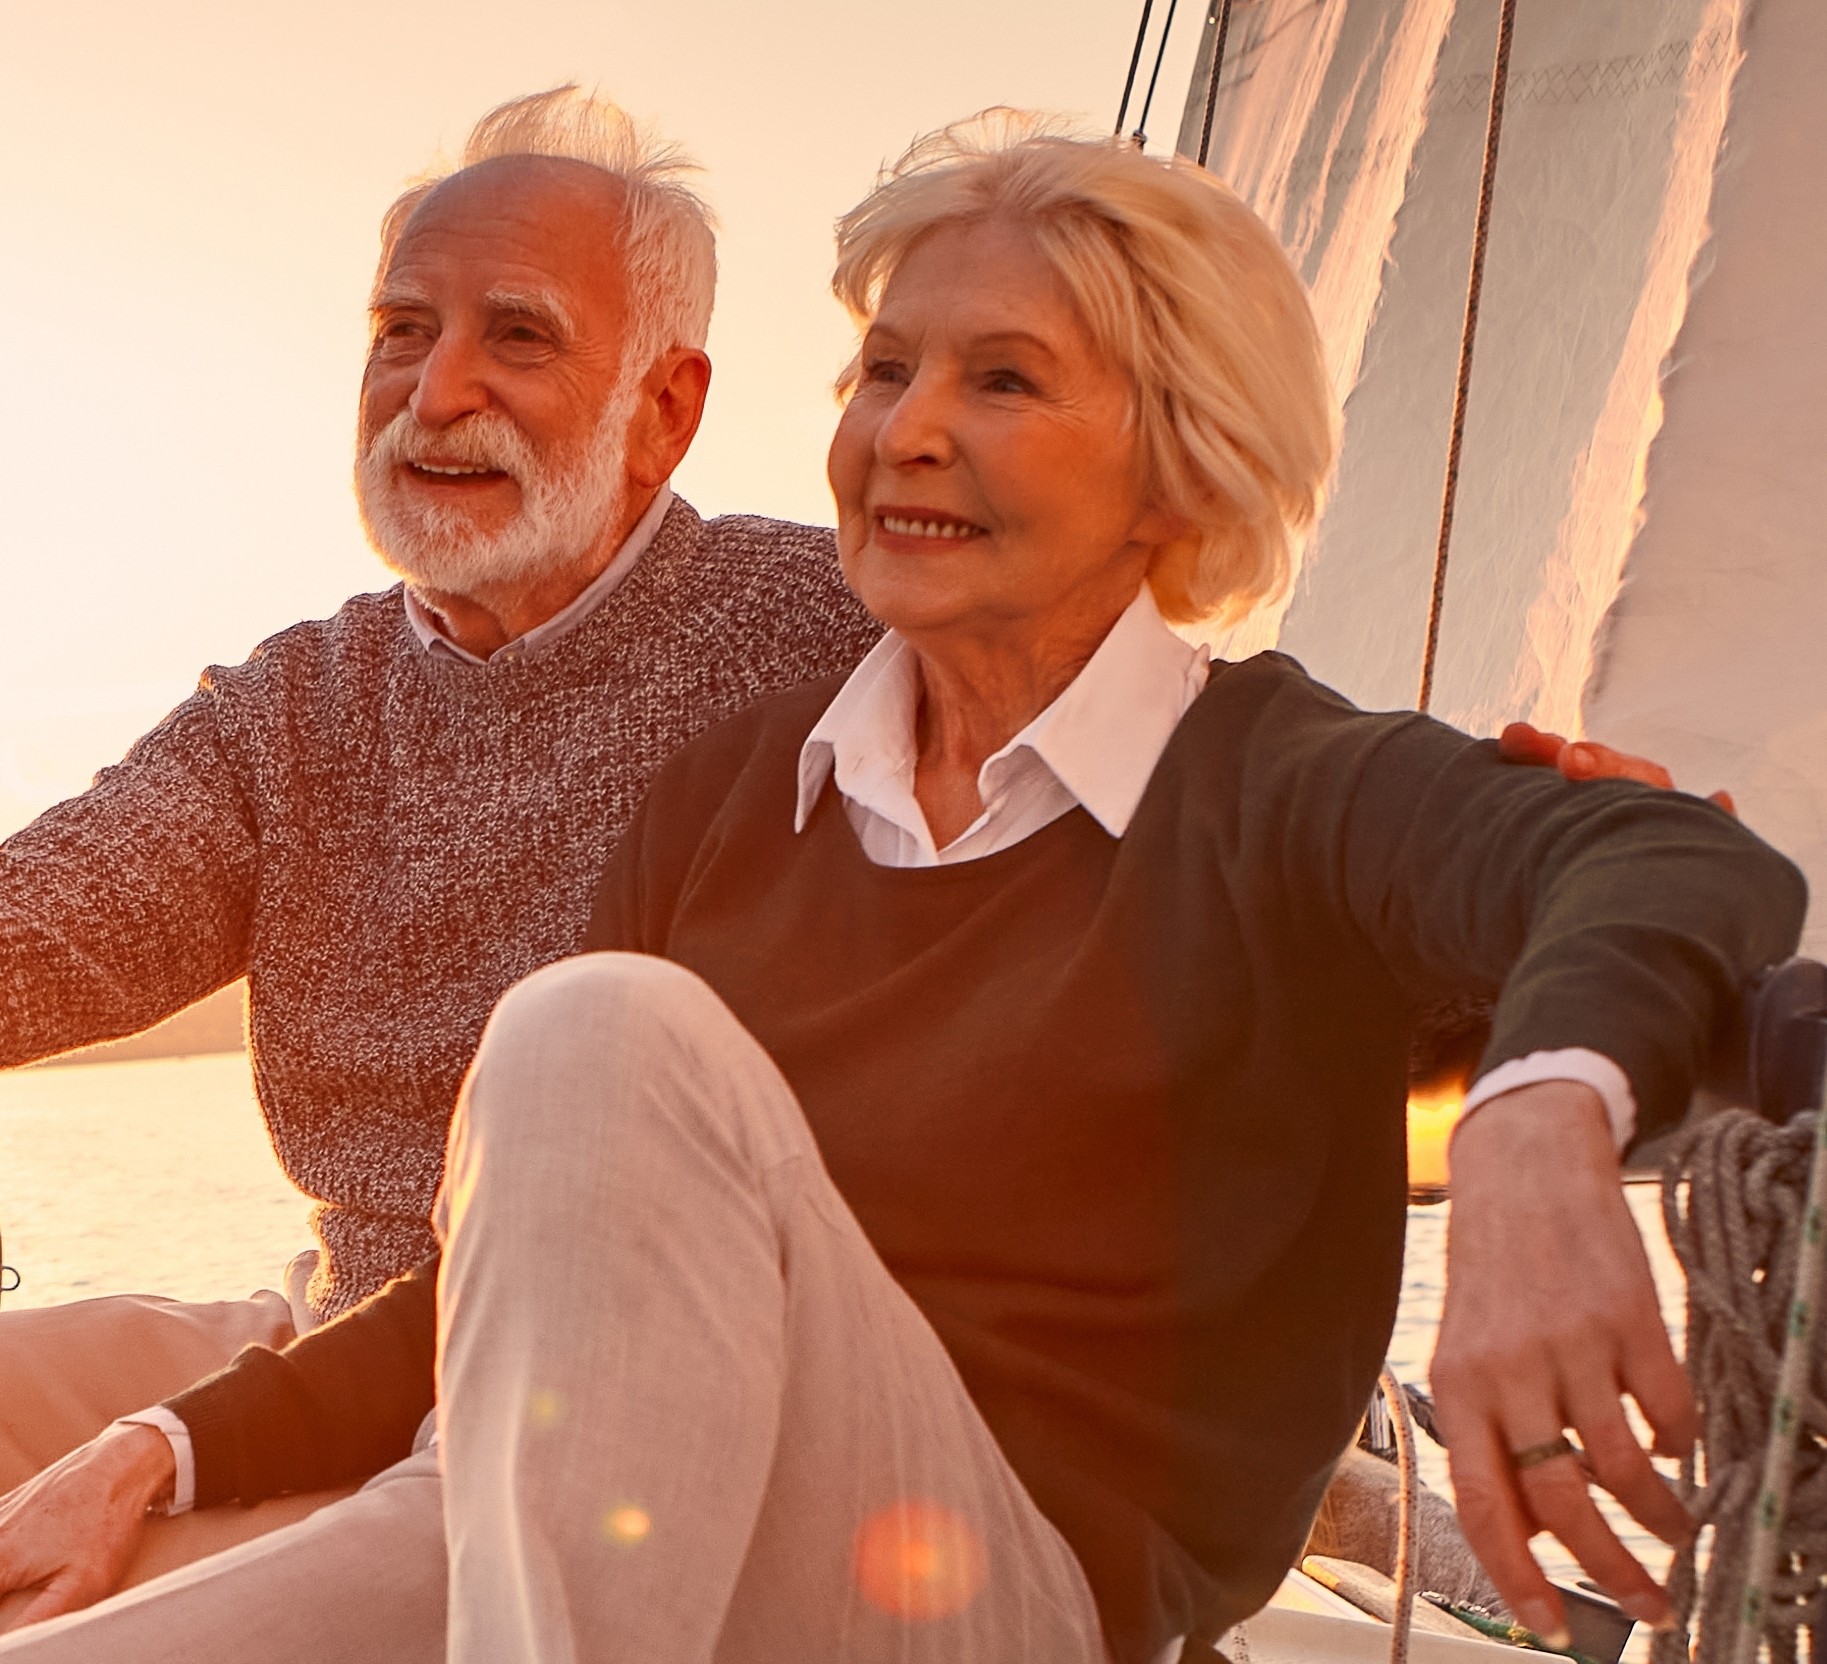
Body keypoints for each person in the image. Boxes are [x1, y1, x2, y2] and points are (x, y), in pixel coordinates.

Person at [0, 114, 1775, 1662]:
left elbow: (1656, 861)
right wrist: (169, 1444)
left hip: (994, 1590)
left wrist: (1535, 1120)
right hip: (564, 1448)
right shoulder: (734, 793)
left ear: (1180, 461)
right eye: (882, 372)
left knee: (591, 1033)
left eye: (1001, 381)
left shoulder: (1273, 780)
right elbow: (488, 1271)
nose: (908, 430)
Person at [0, 84, 879, 1612]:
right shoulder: (299, 706)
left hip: (600, 1413)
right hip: (324, 1340)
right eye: (401, 329)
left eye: (517, 336)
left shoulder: (841, 640)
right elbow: (49, 925)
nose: (436, 388)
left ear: (665, 411)